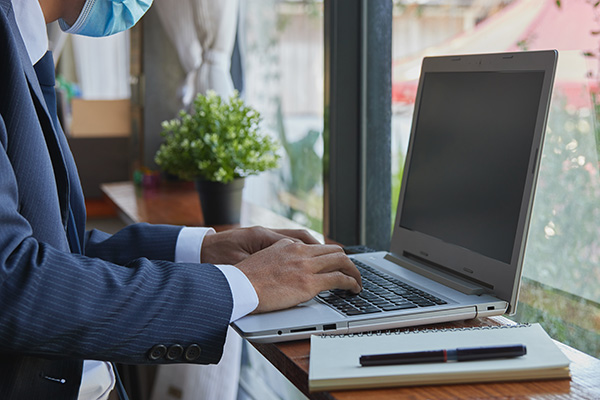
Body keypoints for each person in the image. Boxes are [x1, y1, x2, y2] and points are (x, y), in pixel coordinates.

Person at [0, 0, 362, 398]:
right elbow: (12, 280)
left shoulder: (23, 39)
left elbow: (60, 249)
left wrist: (204, 248)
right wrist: (243, 286)